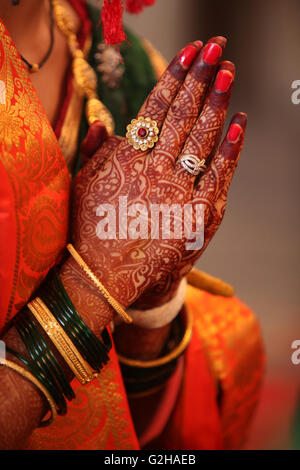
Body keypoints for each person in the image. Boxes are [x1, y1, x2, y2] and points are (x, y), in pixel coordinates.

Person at [0, 0, 264, 450]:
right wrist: (88, 289)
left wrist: (153, 294)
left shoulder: (121, 63)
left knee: (230, 338)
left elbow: (139, 418)